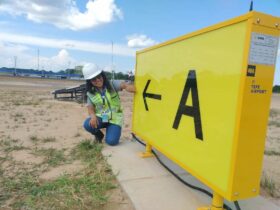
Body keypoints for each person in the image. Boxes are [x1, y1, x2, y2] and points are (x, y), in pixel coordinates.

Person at [82, 63, 135, 146]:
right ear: (90, 81)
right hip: (103, 117)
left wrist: (130, 87)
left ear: (102, 75)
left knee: (111, 142)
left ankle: (111, 129)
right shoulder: (90, 93)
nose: (97, 80)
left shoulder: (112, 84)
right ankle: (99, 135)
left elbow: (124, 85)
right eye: (93, 79)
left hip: (115, 118)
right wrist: (93, 116)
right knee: (87, 124)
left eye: (99, 77)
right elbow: (90, 107)